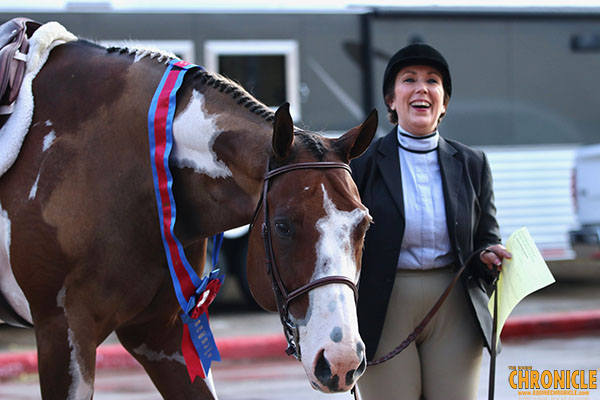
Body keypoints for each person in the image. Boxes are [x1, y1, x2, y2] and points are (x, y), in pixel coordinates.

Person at [351, 43, 512, 400]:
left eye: (433, 81)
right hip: (382, 306)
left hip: (454, 303)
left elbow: (486, 235)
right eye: (409, 80)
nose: (421, 88)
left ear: (445, 102)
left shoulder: (473, 163)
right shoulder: (362, 164)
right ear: (392, 100)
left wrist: (488, 253)